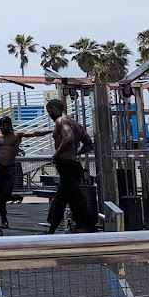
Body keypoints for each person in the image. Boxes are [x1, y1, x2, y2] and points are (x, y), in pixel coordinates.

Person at [0, 115, 51, 228]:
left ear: (9, 126)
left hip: (10, 168)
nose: (2, 128)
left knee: (6, 194)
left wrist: (51, 130)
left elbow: (35, 133)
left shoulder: (17, 135)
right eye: (1, 126)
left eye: (4, 126)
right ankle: (3, 219)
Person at [44, 98, 97, 234]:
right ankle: (53, 227)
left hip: (66, 164)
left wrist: (57, 154)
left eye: (49, 112)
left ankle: (87, 226)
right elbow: (89, 144)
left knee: (72, 197)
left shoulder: (61, 121)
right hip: (72, 164)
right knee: (65, 196)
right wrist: (76, 152)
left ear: (55, 108)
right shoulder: (75, 123)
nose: (49, 115)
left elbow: (68, 137)